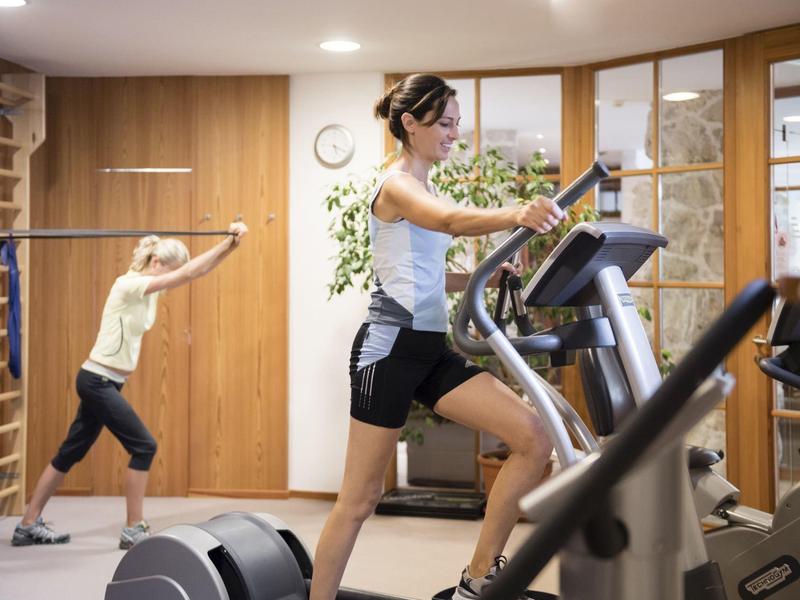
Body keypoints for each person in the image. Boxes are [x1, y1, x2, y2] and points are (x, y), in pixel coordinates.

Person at [309, 74, 563, 600]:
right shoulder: (397, 184)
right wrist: (516, 212)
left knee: (532, 436)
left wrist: (484, 277)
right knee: (360, 499)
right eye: (444, 124)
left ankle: (478, 577)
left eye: (455, 125)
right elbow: (448, 222)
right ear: (410, 123)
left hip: (429, 351)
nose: (452, 134)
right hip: (388, 350)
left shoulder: (426, 186)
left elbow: (422, 274)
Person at [12, 222, 248, 549]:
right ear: (156, 264)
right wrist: (225, 244)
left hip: (107, 382)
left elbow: (196, 271)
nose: (174, 279)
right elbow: (189, 274)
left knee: (70, 451)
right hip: (97, 381)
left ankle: (27, 524)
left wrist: (231, 246)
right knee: (144, 446)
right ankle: (133, 528)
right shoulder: (130, 284)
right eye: (171, 272)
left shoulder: (150, 287)